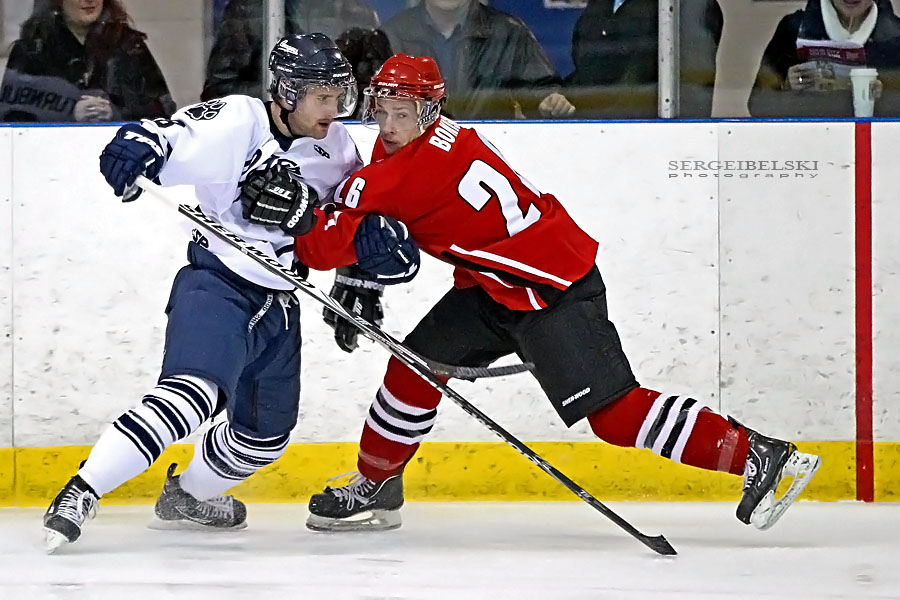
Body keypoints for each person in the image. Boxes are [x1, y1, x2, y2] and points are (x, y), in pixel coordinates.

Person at [245, 53, 822, 533]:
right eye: (383, 110)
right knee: (413, 369)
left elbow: (324, 246)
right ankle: (377, 483)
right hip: (500, 286)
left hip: (553, 290)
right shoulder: (441, 139)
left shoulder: (397, 174)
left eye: (404, 113)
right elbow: (383, 222)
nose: (390, 125)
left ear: (430, 112)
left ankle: (760, 456)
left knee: (615, 417)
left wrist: (295, 215)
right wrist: (361, 270)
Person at [40, 33, 375, 553]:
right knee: (191, 395)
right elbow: (164, 137)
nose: (333, 110)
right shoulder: (238, 120)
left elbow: (345, 220)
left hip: (281, 302)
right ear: (288, 92)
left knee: (264, 437)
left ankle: (185, 496)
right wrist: (137, 148)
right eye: (322, 97)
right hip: (218, 284)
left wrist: (357, 278)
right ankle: (82, 490)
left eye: (339, 97)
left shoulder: (337, 147)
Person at [379, 0, 575, 119]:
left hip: (489, 152)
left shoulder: (508, 31)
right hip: (415, 155)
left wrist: (549, 100)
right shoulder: (391, 35)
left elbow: (541, 88)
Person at [0, 0, 175, 123]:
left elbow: (163, 114)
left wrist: (116, 114)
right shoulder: (31, 50)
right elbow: (10, 116)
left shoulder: (130, 47)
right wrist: (67, 112)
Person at [565, 0, 723, 118]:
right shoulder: (601, 5)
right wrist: (563, 96)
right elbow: (590, 71)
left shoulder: (686, 6)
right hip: (597, 132)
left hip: (648, 135)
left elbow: (693, 88)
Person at [202, 0, 379, 101]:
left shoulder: (360, 15)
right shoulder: (251, 8)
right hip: (269, 134)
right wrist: (292, 94)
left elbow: (373, 91)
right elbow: (218, 90)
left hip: (339, 133)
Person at [749, 0, 900, 117]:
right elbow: (758, 107)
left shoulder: (896, 37)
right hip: (809, 137)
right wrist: (787, 88)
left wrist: (885, 96)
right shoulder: (793, 29)